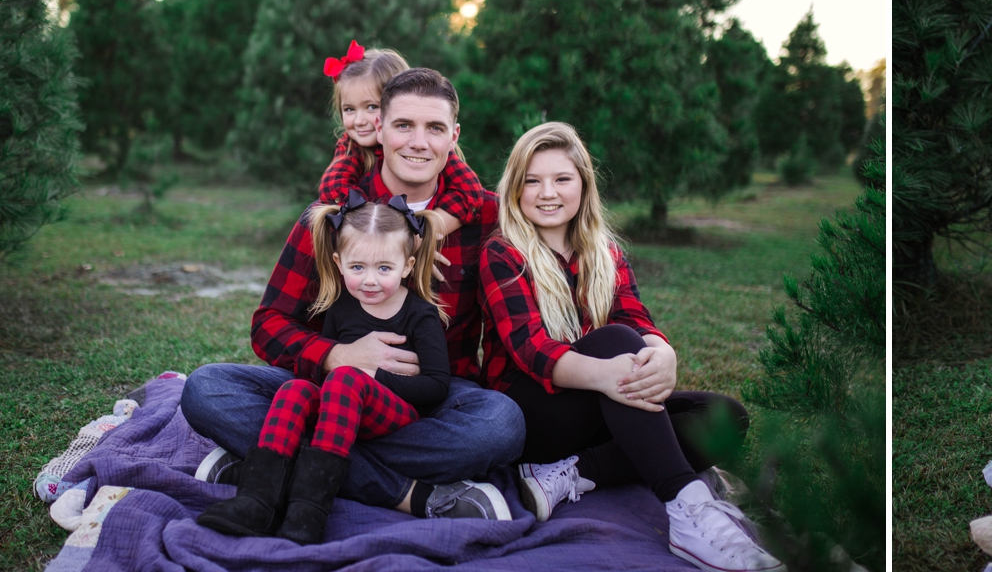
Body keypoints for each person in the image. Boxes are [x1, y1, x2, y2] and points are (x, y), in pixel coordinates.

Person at [183, 72, 523, 521]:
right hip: (324, 394)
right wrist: (335, 356)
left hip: (428, 402)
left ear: (453, 137)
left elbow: (506, 329)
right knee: (206, 388)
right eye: (404, 125)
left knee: (500, 425)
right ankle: (405, 493)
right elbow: (268, 324)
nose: (419, 142)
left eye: (435, 128)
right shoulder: (333, 216)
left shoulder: (487, 216)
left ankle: (273, 464)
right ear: (378, 129)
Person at [477, 120, 774, 566]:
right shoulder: (502, 252)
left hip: (601, 405)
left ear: (583, 184)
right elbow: (531, 349)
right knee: (615, 340)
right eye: (532, 181)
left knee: (724, 417)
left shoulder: (604, 251)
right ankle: (687, 509)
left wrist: (663, 353)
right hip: (533, 413)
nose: (547, 192)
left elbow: (634, 315)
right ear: (515, 190)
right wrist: (610, 373)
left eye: (562, 178)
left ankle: (573, 473)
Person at [202, 195, 452, 543]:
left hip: (396, 414)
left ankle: (308, 512)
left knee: (348, 377)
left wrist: (372, 376)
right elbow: (321, 375)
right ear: (338, 262)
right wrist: (338, 365)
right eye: (357, 267)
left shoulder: (420, 315)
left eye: (384, 268)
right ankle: (257, 501)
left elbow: (437, 387)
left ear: (407, 266)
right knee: (294, 389)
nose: (369, 280)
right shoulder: (339, 309)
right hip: (339, 412)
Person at [316, 42, 410, 203]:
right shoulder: (352, 148)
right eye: (349, 109)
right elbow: (332, 188)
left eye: (372, 107)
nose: (359, 121)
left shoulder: (425, 143)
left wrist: (440, 220)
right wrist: (367, 213)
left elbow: (467, 187)